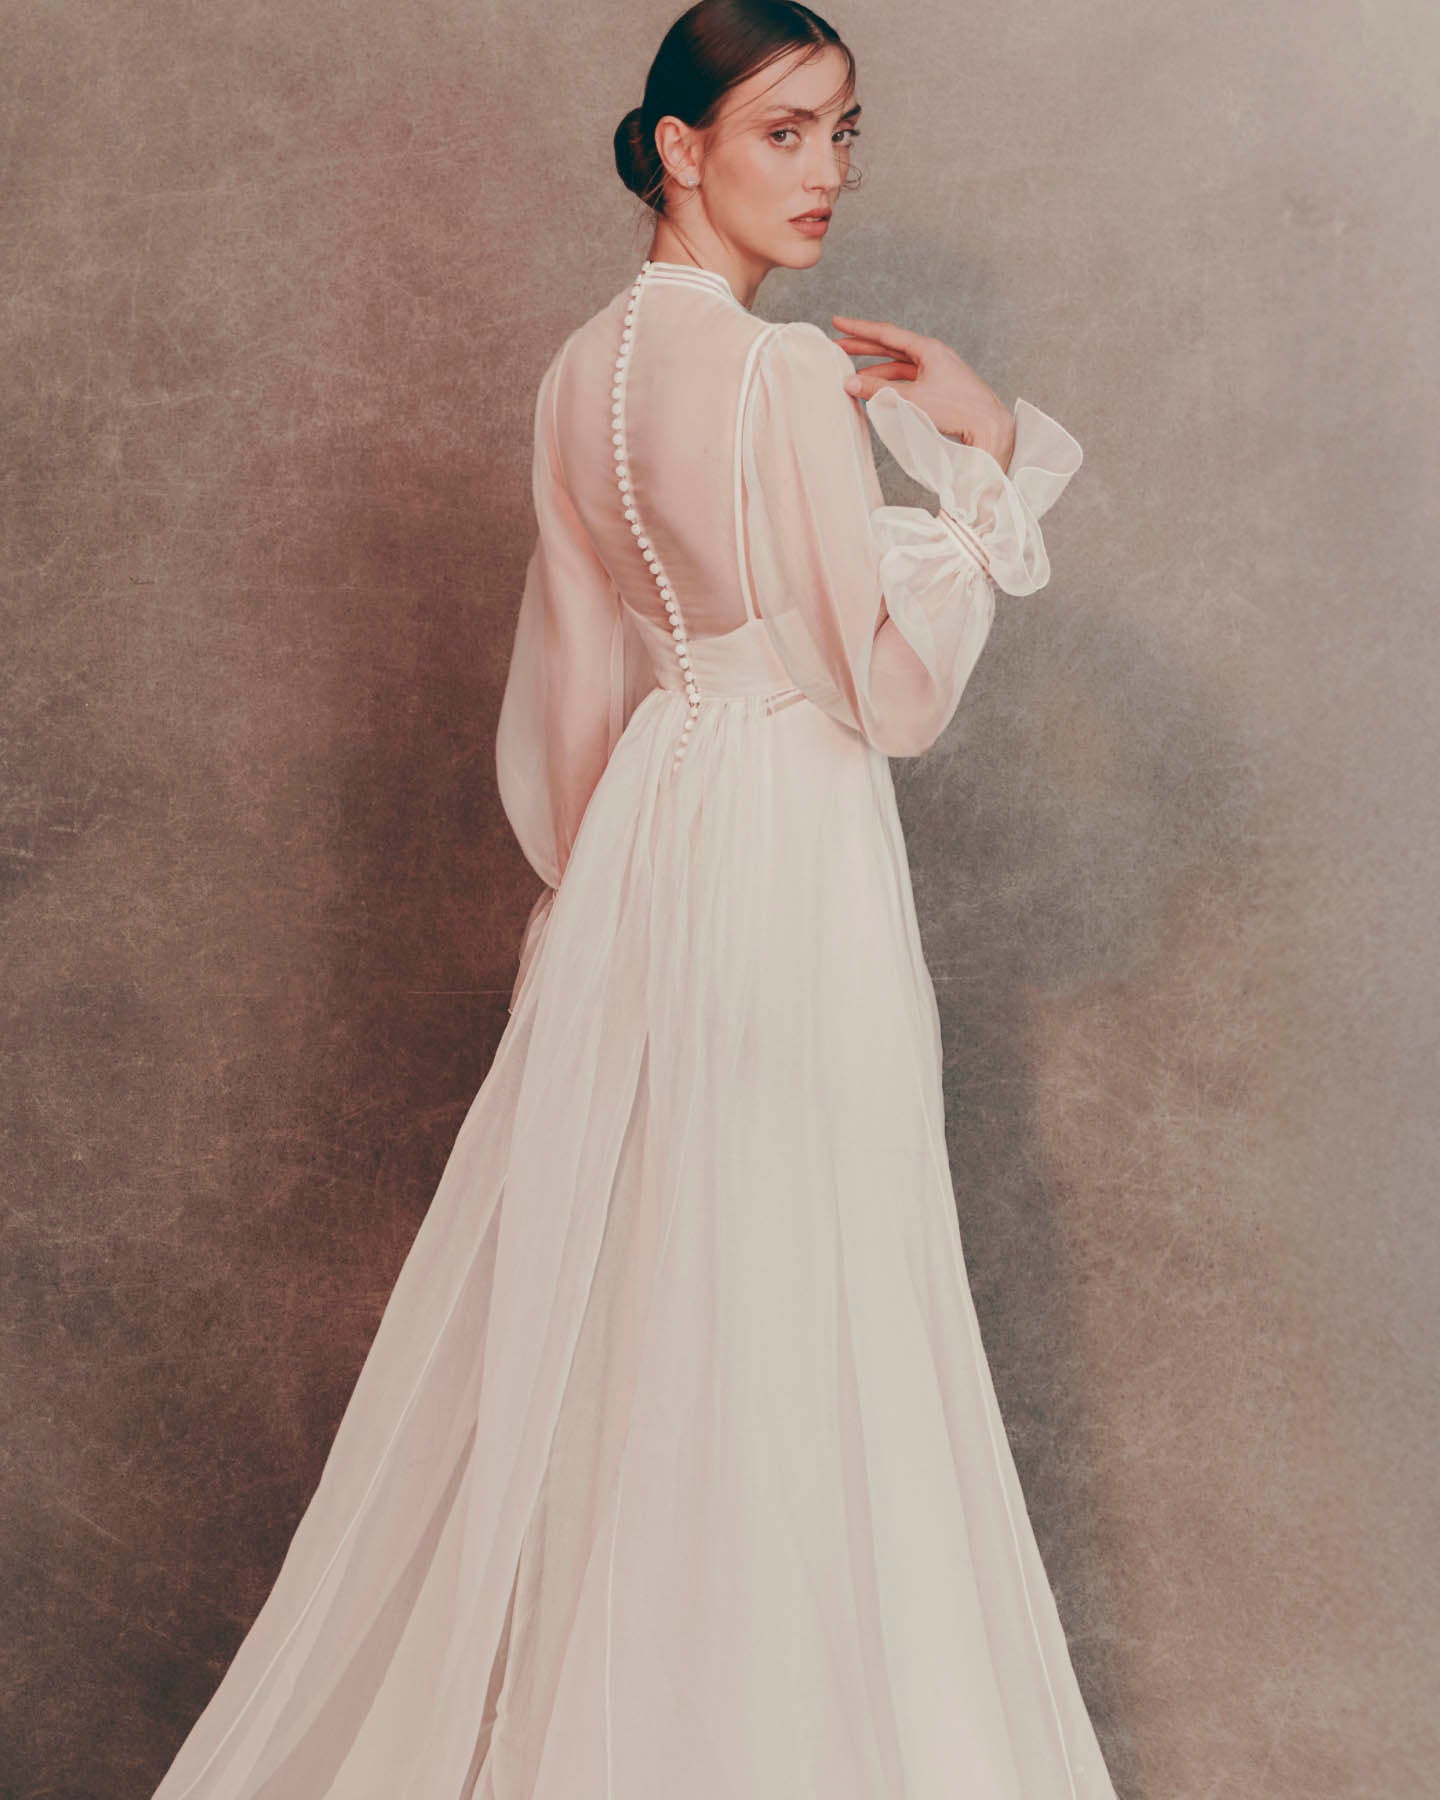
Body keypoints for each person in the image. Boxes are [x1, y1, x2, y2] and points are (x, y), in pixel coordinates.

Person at [149, 3, 1115, 1796]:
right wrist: (988, 456)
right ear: (679, 146)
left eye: (843, 132)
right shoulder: (774, 377)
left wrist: (592, 911)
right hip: (791, 844)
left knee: (668, 1293)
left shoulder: (576, 372)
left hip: (650, 845)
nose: (826, 174)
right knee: (804, 1287)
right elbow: (889, 691)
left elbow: (575, 696)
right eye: (783, 132)